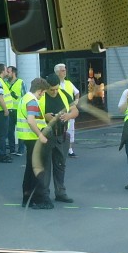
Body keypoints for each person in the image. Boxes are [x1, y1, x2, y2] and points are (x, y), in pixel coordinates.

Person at [38, 72, 77, 204]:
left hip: (61, 135)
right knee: (45, 166)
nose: (54, 92)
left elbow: (75, 111)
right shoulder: (40, 97)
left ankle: (60, 192)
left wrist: (68, 116)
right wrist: (45, 116)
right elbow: (31, 116)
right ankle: (44, 194)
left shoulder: (64, 94)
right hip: (46, 136)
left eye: (56, 89)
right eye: (51, 90)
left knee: (60, 165)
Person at [17, 77, 52, 208]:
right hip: (34, 139)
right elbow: (31, 121)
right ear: (39, 91)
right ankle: (36, 199)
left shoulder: (24, 98)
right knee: (35, 170)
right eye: (43, 93)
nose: (43, 95)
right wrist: (40, 135)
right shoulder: (32, 101)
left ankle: (27, 199)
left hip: (27, 138)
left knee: (29, 170)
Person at [54, 62, 80, 156]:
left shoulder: (68, 83)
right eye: (62, 70)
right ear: (57, 72)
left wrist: (76, 100)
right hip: (59, 110)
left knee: (70, 130)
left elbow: (77, 92)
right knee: (59, 131)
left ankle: (70, 150)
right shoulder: (54, 84)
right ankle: (59, 149)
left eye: (65, 70)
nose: (65, 72)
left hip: (69, 111)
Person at [3, 65, 22, 157]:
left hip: (19, 110)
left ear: (13, 73)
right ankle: (12, 149)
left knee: (21, 130)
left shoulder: (21, 82)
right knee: (10, 130)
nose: (7, 73)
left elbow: (25, 96)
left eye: (9, 72)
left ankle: (21, 149)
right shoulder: (5, 83)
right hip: (9, 109)